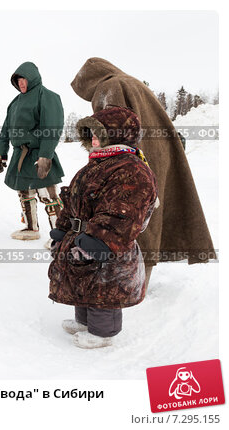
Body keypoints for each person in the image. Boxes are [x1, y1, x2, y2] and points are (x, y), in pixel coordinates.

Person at [71, 58, 215, 285]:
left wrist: (105, 164)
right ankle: (141, 280)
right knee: (149, 217)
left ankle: (133, 285)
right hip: (154, 155)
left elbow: (111, 127)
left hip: (130, 160)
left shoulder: (109, 87)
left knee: (129, 218)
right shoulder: (133, 82)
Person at [48, 106, 158, 349]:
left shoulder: (131, 168)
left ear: (117, 134)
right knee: (82, 278)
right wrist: (63, 230)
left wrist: (99, 241)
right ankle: (85, 322)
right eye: (90, 133)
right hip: (81, 236)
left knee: (103, 284)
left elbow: (123, 210)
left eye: (100, 132)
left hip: (106, 243)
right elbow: (72, 199)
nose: (93, 138)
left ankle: (102, 332)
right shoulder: (96, 164)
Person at [0, 61, 65, 241]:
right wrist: (2, 153)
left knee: (47, 195)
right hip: (20, 155)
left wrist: (45, 155)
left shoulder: (47, 96)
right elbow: (6, 130)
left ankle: (60, 234)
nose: (21, 83)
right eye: (18, 80)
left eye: (24, 79)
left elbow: (52, 128)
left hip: (38, 153)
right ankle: (31, 227)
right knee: (24, 193)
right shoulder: (15, 103)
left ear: (32, 78)